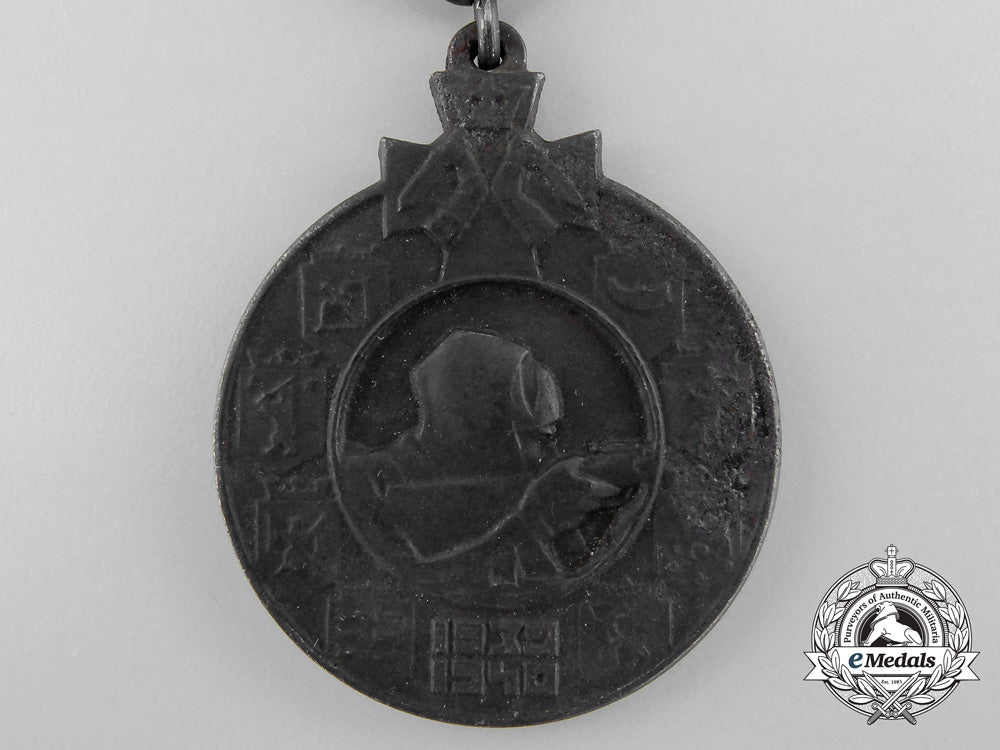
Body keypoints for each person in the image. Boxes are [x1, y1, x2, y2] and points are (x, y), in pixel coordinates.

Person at [339, 330, 645, 582]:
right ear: (474, 425)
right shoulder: (360, 485)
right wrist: (534, 521)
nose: (550, 455)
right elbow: (398, 593)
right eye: (540, 437)